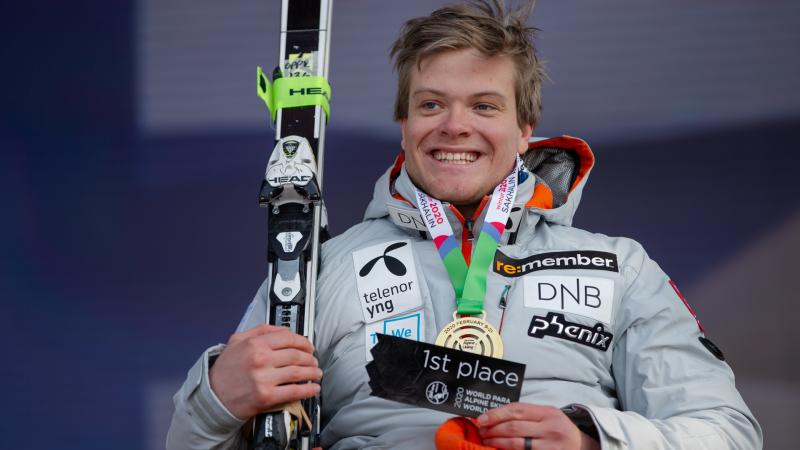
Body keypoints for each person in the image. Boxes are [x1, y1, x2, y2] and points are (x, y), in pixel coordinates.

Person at [167, 1, 763, 449]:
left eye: (484, 105)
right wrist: (216, 404)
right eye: (431, 104)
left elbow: (729, 434)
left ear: (525, 129)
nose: (455, 125)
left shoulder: (619, 267)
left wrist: (591, 439)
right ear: (403, 124)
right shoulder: (319, 270)